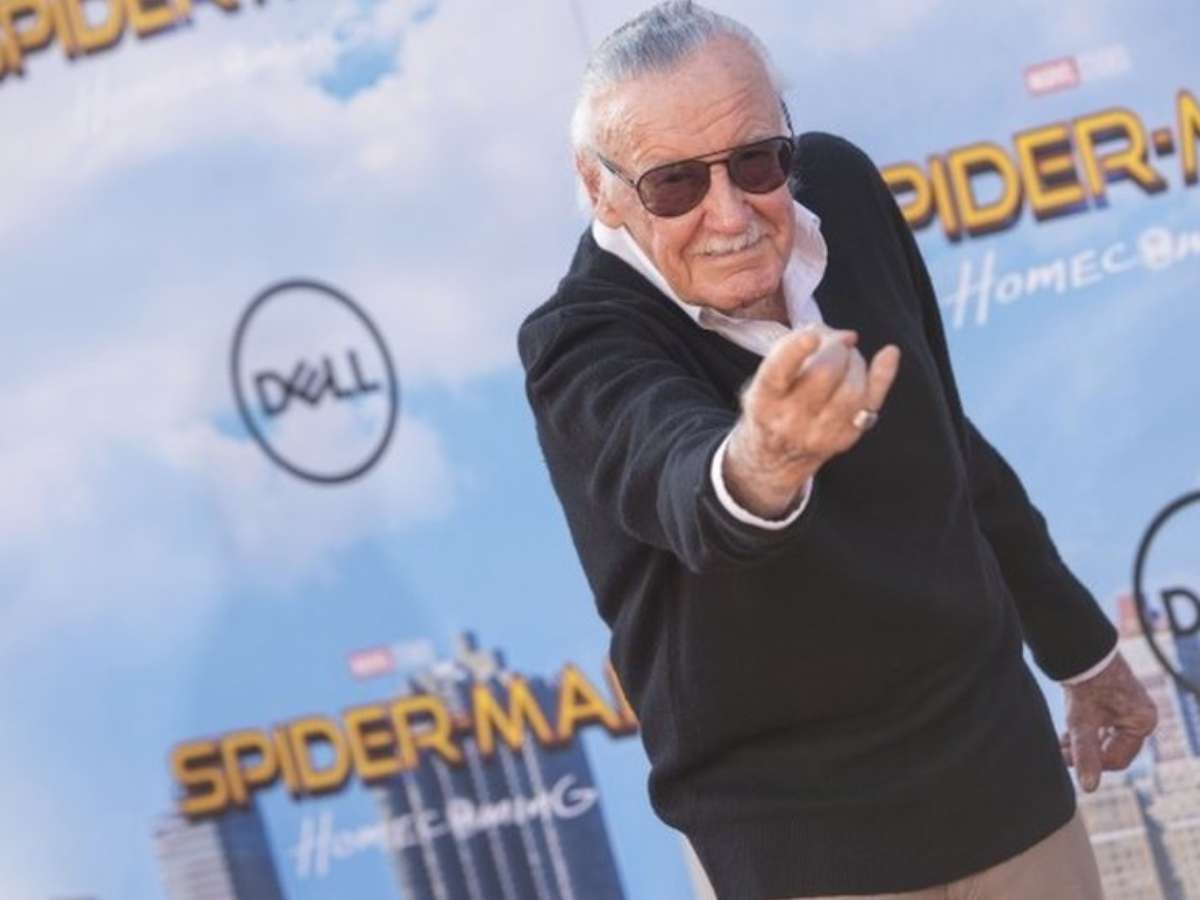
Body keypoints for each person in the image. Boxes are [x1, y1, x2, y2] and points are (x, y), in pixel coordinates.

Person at [516, 3, 1158, 898]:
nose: (729, 214)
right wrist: (766, 460)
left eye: (756, 161)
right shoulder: (580, 343)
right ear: (599, 186)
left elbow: (949, 439)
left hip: (999, 775)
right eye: (674, 185)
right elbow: (682, 483)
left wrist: (1081, 651)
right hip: (803, 843)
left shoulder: (843, 190)